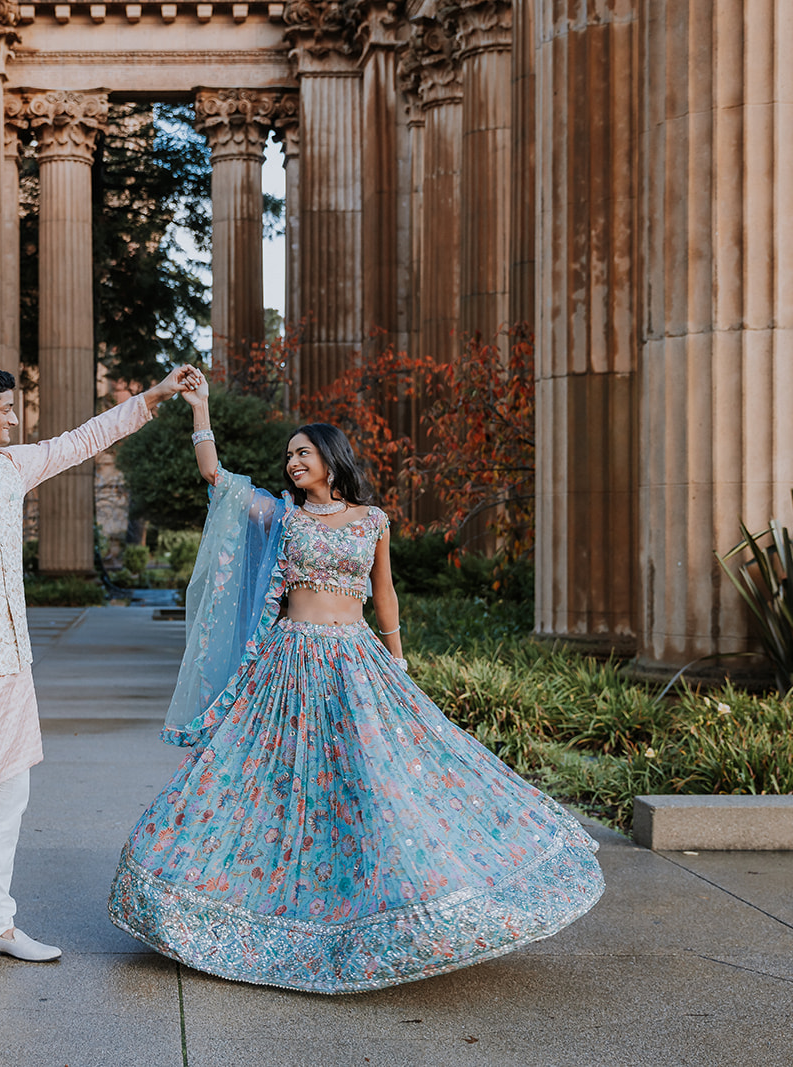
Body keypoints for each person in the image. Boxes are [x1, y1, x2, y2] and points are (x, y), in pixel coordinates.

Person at [108, 368, 604, 994]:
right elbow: (216, 477)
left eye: (303, 452)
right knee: (264, 779)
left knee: (370, 779)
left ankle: (393, 908)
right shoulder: (281, 518)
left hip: (356, 660)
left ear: (331, 459)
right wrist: (200, 408)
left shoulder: (373, 520)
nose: (292, 462)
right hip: (288, 663)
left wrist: (397, 663)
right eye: (288, 454)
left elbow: (385, 594)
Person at [0, 363, 193, 988]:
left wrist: (152, 397)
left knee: (10, 802)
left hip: (13, 665)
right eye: (6, 408)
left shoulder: (10, 469)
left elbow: (81, 440)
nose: (15, 418)